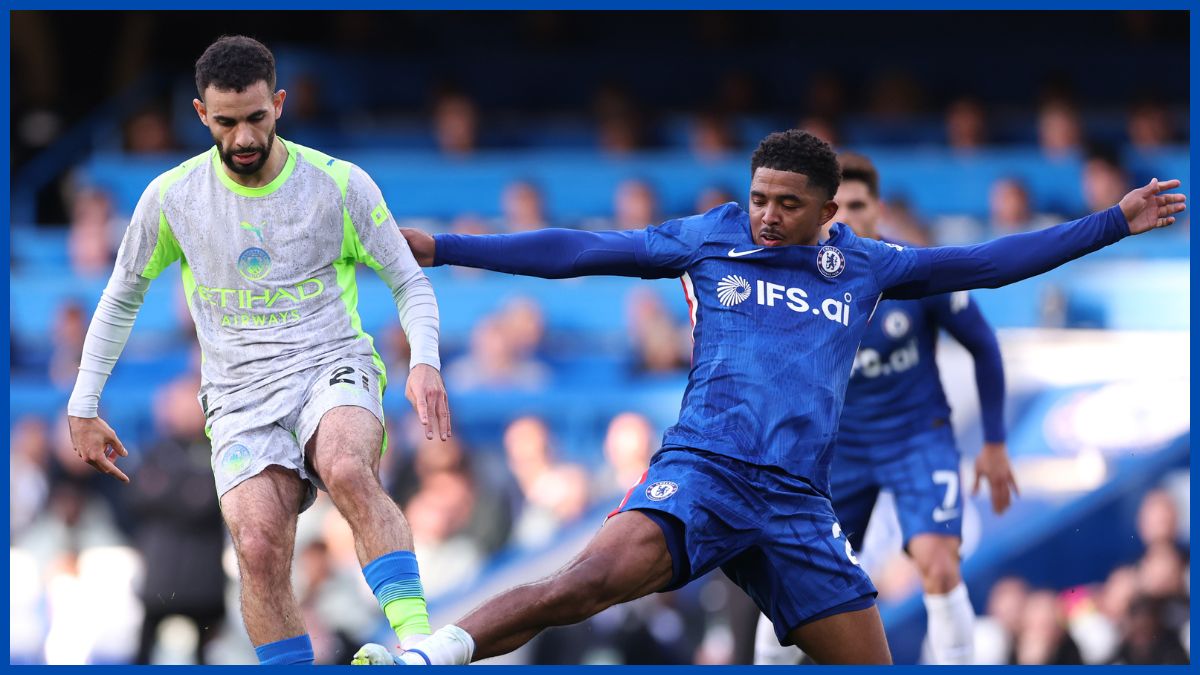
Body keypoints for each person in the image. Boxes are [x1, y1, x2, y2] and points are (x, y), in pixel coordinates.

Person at [359, 130, 1184, 666]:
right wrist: (443, 245)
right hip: (705, 472)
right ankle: (433, 654)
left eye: (788, 204)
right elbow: (582, 248)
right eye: (759, 198)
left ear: (830, 210)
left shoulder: (869, 266)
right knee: (581, 583)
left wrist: (1111, 221)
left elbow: (993, 262)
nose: (765, 216)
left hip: (795, 503)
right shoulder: (710, 236)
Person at [65, 35, 451, 666]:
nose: (243, 137)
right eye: (225, 122)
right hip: (239, 394)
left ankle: (415, 647)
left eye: (255, 119)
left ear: (278, 104)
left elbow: (409, 279)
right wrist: (84, 402)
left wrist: (425, 360)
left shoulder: (338, 185)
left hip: (331, 363)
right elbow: (119, 298)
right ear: (199, 115)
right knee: (257, 543)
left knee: (348, 468)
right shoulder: (172, 198)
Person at [752, 152, 1017, 665]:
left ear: (878, 209)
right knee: (795, 578)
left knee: (939, 564)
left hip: (917, 437)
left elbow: (984, 344)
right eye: (838, 207)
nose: (847, 217)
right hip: (838, 451)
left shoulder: (914, 271)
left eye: (859, 204)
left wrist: (995, 441)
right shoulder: (791, 283)